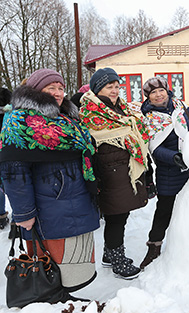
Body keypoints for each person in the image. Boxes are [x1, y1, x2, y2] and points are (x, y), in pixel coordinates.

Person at [0, 69, 100, 296]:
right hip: (48, 204)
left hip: (73, 199)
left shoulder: (65, 117)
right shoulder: (18, 121)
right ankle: (49, 296)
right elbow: (12, 171)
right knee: (50, 258)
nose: (58, 93)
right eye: (51, 88)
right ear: (36, 90)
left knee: (73, 257)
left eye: (61, 88)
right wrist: (24, 213)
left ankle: (62, 295)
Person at [80, 67, 150, 279]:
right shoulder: (90, 112)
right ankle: (119, 262)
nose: (114, 90)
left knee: (121, 214)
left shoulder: (122, 109)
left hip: (124, 169)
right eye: (109, 86)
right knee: (116, 216)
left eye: (117, 86)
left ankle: (109, 255)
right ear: (98, 88)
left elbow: (135, 130)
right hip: (108, 171)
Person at [138, 77, 189, 269]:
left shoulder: (180, 105)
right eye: (153, 93)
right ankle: (154, 247)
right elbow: (153, 147)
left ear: (167, 90)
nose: (158, 95)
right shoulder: (147, 117)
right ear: (148, 97)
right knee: (164, 211)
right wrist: (174, 157)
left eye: (161, 90)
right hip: (169, 171)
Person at [0, 87, 12, 230]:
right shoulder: (10, 115)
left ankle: (1, 216)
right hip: (8, 151)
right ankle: (16, 218)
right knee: (12, 183)